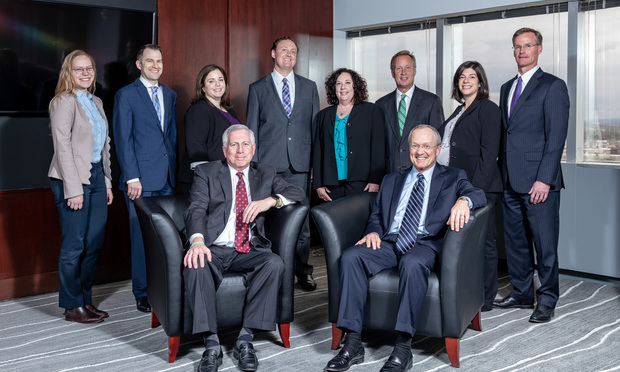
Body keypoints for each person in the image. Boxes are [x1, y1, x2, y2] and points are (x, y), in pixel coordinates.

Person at [324, 125, 486, 372]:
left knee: (412, 262)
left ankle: (402, 347)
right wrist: (373, 232)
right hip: (390, 241)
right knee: (351, 257)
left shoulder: (453, 176)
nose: (420, 151)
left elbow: (478, 194)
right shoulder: (391, 180)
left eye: (426, 146)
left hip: (425, 243)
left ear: (438, 149)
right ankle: (353, 342)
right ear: (408, 148)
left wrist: (464, 200)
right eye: (415, 146)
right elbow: (377, 215)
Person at [184, 125, 305, 372]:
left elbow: (297, 191)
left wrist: (271, 200)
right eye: (234, 145)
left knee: (274, 263)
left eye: (245, 144)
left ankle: (246, 338)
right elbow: (195, 208)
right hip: (214, 248)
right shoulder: (206, 172)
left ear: (253, 149)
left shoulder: (266, 173)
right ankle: (211, 344)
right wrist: (197, 241)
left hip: (248, 248)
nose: (240, 150)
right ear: (224, 149)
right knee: (195, 263)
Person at [493, 28, 569, 324]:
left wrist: (545, 179)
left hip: (540, 182)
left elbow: (556, 138)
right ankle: (523, 293)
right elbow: (507, 135)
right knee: (515, 242)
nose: (522, 51)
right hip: (510, 179)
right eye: (517, 46)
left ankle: (547, 299)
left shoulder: (552, 86)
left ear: (539, 49)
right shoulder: (505, 87)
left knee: (544, 243)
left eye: (527, 46)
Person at [246, 36, 320, 291]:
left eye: (293, 51)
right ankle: (273, 270)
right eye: (284, 50)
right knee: (269, 220)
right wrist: (252, 168)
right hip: (268, 166)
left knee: (301, 223)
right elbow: (251, 131)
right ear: (273, 54)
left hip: (300, 165)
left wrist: (314, 166)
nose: (289, 54)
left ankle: (303, 271)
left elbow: (315, 131)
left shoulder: (309, 87)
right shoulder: (257, 88)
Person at [48, 50, 114, 323]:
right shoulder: (63, 102)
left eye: (89, 68)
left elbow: (104, 145)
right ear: (68, 73)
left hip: (97, 177)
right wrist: (73, 189)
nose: (85, 73)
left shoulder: (96, 100)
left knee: (94, 243)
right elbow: (61, 146)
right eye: (79, 69)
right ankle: (72, 305)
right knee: (74, 244)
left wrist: (108, 181)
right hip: (70, 178)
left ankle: (85, 300)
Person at [113, 44, 178, 313]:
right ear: (139, 64)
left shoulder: (170, 94)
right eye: (149, 61)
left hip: (167, 179)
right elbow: (123, 139)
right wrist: (132, 177)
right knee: (141, 237)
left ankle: (162, 287)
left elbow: (171, 138)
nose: (155, 65)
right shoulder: (126, 95)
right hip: (140, 181)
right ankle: (142, 292)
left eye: (159, 61)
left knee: (166, 238)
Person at [438, 61, 501, 311]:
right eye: (462, 77)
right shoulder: (459, 110)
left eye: (471, 76)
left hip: (479, 188)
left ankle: (486, 297)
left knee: (483, 243)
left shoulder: (488, 109)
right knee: (461, 243)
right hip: (457, 187)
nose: (466, 80)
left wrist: (474, 193)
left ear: (480, 82)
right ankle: (464, 290)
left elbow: (489, 155)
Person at [313, 68, 385, 202]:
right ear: (333, 88)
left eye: (347, 82)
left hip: (362, 182)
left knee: (358, 221)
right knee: (333, 221)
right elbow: (318, 151)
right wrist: (318, 184)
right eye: (338, 83)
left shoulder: (372, 111)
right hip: (331, 184)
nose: (343, 87)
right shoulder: (322, 116)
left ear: (355, 86)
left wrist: (376, 180)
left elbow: (378, 148)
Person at [376, 50, 445, 174]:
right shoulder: (380, 104)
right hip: (389, 175)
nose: (403, 72)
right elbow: (377, 145)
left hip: (421, 173)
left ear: (415, 71)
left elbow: (438, 142)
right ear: (392, 73)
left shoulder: (431, 101)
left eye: (408, 67)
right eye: (398, 68)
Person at [179, 64, 240, 194]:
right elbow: (196, 146)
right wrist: (207, 179)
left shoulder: (230, 111)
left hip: (224, 177)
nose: (217, 84)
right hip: (204, 180)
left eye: (220, 79)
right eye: (211, 81)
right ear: (203, 88)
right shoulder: (199, 109)